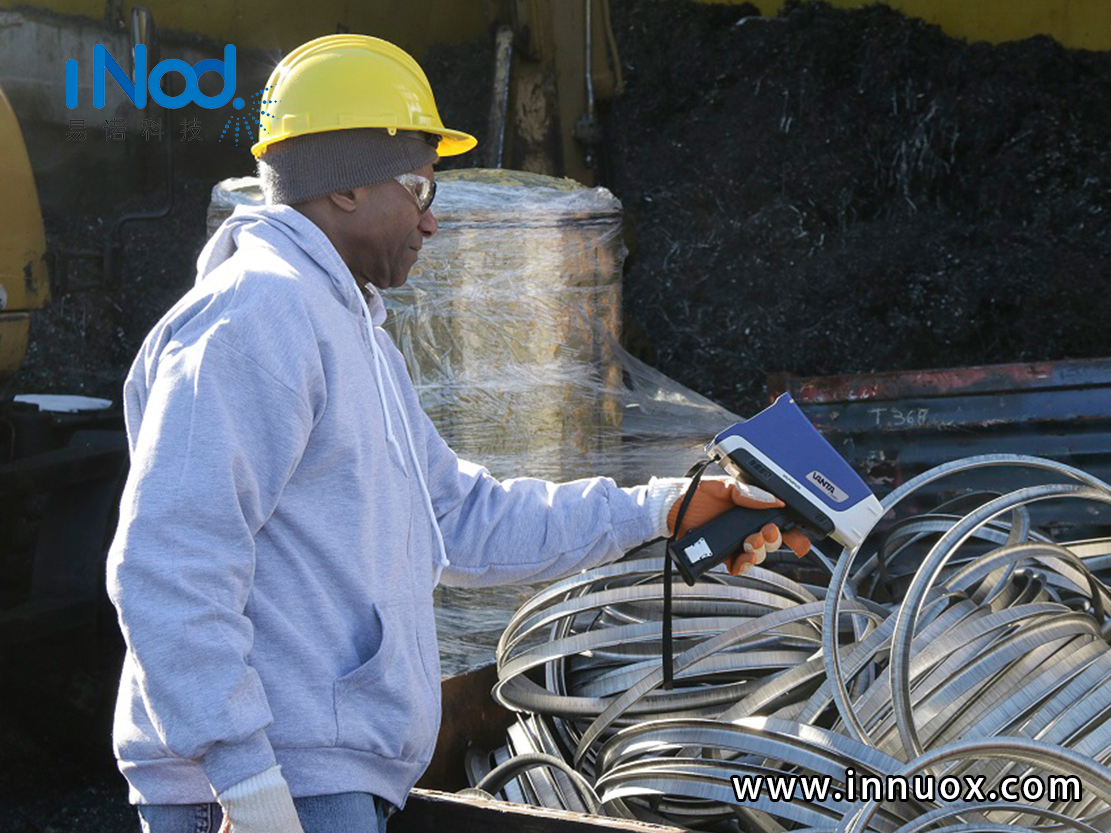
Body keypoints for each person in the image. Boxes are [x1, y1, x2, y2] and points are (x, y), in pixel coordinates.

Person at [106, 34, 809, 833]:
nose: (431, 220)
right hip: (274, 789)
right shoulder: (258, 315)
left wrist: (664, 509)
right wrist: (245, 780)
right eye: (419, 187)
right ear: (343, 185)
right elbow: (170, 561)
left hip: (312, 778)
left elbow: (461, 517)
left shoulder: (345, 327)